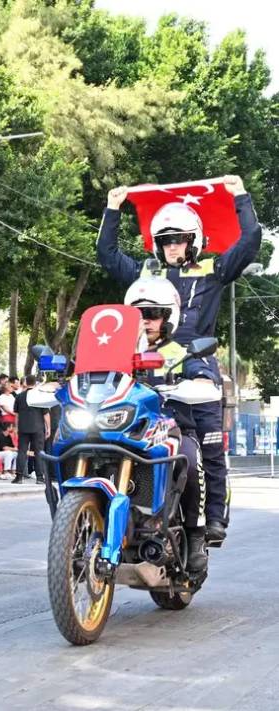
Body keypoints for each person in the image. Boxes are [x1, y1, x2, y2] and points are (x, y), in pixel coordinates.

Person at [101, 175, 261, 543]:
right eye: (165, 241)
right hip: (144, 364)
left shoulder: (214, 270)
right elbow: (107, 256)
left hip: (195, 364)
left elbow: (250, 241)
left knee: (206, 449)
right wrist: (112, 208)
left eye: (179, 239)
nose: (172, 247)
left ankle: (209, 521)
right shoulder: (145, 272)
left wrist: (240, 195)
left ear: (194, 240)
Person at [126, 275, 211, 571]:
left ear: (167, 317)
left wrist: (200, 379)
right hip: (124, 429)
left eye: (152, 314)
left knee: (187, 457)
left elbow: (200, 372)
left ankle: (196, 533)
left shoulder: (175, 351)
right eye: (138, 314)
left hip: (170, 427)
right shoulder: (118, 353)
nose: (145, 321)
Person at [13, 375, 49, 485]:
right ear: (35, 383)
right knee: (39, 452)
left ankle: (19, 477)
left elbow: (17, 414)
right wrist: (48, 428)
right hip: (38, 427)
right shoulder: (40, 396)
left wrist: (16, 427)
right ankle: (39, 477)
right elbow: (46, 414)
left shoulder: (19, 396)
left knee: (22, 451)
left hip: (23, 427)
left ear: (25, 383)